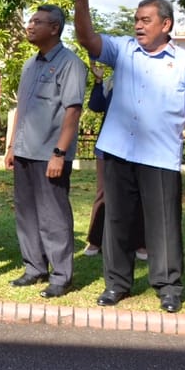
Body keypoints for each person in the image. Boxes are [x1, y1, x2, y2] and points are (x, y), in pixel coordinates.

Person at [70, 0, 185, 314]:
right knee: (117, 221)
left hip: (160, 157)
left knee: (163, 226)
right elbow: (87, 39)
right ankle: (116, 284)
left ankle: (168, 288)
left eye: (146, 20)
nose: (138, 25)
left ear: (166, 25)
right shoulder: (123, 50)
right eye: (136, 19)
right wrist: (81, 2)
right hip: (119, 152)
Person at [3, 6, 86, 297]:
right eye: (29, 21)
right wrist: (12, 145)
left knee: (53, 216)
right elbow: (22, 109)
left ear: (54, 28)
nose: (30, 26)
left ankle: (61, 275)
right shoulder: (29, 65)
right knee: (26, 213)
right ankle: (34, 268)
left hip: (50, 153)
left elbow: (72, 112)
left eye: (37, 22)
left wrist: (60, 153)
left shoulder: (70, 64)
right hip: (25, 150)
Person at [82, 62, 146, 259]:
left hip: (137, 147)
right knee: (103, 193)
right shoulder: (111, 82)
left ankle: (140, 244)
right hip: (107, 147)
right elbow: (95, 106)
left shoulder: (146, 82)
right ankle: (95, 240)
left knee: (137, 195)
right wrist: (99, 80)